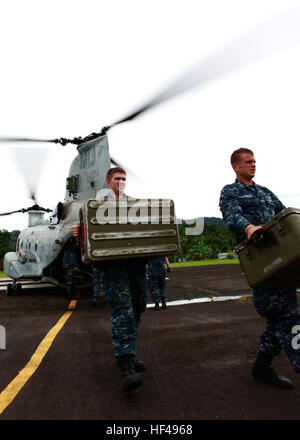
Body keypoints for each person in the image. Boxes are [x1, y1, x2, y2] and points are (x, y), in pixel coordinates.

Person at [219, 147, 300, 389]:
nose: (253, 165)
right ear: (236, 166)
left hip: (282, 262)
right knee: (285, 316)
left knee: (280, 316)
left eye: (255, 161)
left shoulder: (265, 192)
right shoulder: (230, 191)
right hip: (261, 263)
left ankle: (262, 366)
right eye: (248, 162)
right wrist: (250, 228)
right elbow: (231, 216)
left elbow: (284, 215)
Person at [71, 167, 147, 392]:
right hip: (113, 268)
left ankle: (129, 353)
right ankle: (125, 362)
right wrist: (78, 233)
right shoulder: (95, 206)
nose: (121, 181)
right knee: (123, 310)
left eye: (124, 178)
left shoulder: (135, 204)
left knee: (138, 307)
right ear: (108, 181)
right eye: (117, 178)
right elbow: (86, 240)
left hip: (136, 267)